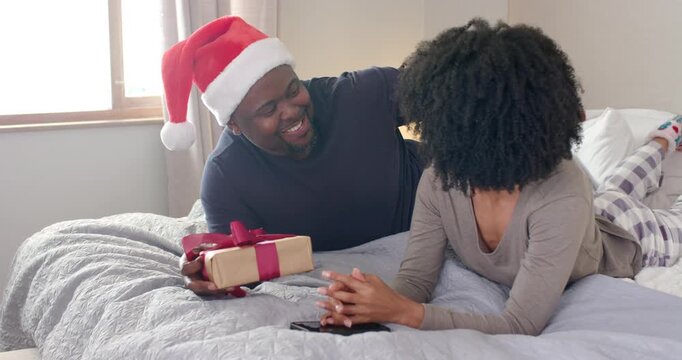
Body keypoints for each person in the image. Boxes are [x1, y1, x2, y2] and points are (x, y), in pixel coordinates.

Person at [317, 19, 682, 335]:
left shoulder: (563, 189)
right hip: (590, 211)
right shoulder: (439, 181)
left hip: (624, 234)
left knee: (644, 202)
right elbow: (415, 280)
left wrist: (404, 312)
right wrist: (368, 303)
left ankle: (665, 139)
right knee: (619, 183)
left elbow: (520, 324)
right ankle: (664, 138)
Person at [159, 16, 423, 295]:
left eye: (293, 89)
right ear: (234, 124)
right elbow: (233, 267)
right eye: (268, 109)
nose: (292, 110)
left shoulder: (361, 96)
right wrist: (208, 272)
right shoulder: (226, 177)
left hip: (434, 215)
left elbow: (453, 92)